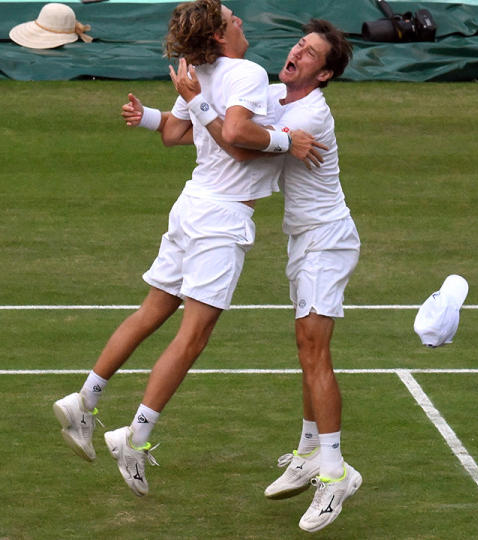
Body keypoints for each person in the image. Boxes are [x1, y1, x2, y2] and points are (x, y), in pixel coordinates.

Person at [52, 0, 322, 498]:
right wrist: (289, 143)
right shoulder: (245, 72)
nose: (239, 19)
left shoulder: (199, 70)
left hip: (191, 205)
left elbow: (176, 133)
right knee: (193, 336)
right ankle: (135, 440)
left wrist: (149, 115)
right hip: (219, 220)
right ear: (220, 36)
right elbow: (239, 137)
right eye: (231, 17)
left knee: (152, 310)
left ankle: (83, 401)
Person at [167, 19, 363, 533]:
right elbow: (218, 122)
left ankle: (335, 472)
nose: (297, 51)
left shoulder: (312, 116)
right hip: (306, 240)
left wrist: (201, 102)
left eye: (311, 52)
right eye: (299, 43)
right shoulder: (277, 94)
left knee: (313, 351)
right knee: (307, 348)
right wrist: (160, 111)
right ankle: (306, 452)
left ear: (324, 75)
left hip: (327, 240)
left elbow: (237, 143)